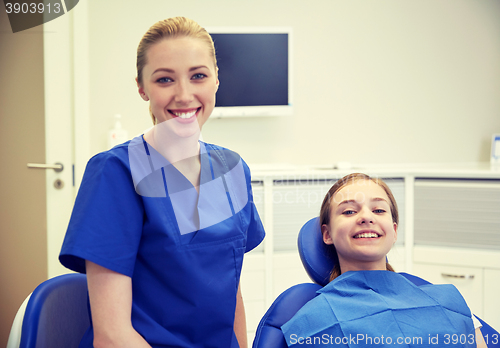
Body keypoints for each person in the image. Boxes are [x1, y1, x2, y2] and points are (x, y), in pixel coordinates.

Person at [59, 17, 265, 348]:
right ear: (142, 88)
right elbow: (112, 336)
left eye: (198, 76)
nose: (184, 95)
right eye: (165, 79)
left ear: (216, 81)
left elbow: (231, 295)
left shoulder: (232, 169)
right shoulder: (115, 173)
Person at [281, 173, 486, 347]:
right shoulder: (314, 322)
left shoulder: (449, 302)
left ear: (394, 231)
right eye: (349, 211)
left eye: (379, 210)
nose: (366, 217)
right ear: (327, 234)